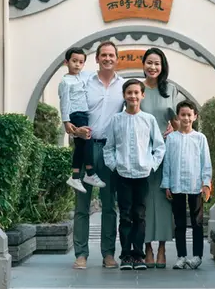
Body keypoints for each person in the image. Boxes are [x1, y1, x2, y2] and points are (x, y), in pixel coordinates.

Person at [71, 41, 125, 270]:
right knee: (82, 203)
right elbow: (72, 108)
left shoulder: (123, 86)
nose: (107, 59)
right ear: (97, 58)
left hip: (110, 150)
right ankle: (81, 254)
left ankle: (108, 253)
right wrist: (73, 128)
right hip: (85, 147)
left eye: (111, 55)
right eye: (104, 55)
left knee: (109, 204)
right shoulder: (85, 82)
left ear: (116, 59)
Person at [103, 79, 166, 271]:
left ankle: (138, 256)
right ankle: (126, 255)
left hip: (142, 175)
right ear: (124, 95)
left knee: (139, 215)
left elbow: (159, 147)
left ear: (142, 95)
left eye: (136, 93)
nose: (133, 96)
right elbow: (109, 148)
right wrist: (114, 166)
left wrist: (151, 166)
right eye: (129, 92)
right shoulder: (116, 120)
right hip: (122, 174)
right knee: (125, 216)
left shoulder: (148, 119)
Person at [161, 100, 212, 270]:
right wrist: (167, 184)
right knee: (180, 223)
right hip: (176, 185)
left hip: (195, 185)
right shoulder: (171, 139)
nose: (186, 118)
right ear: (178, 116)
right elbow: (167, 163)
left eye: (189, 115)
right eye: (183, 115)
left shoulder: (200, 138)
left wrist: (206, 183)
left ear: (195, 116)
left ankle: (197, 256)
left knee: (197, 222)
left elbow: (206, 163)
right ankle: (181, 256)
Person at [140, 48, 178, 268]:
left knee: (164, 200)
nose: (153, 67)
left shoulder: (170, 89)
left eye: (157, 63)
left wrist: (174, 128)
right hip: (141, 154)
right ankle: (147, 248)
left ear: (162, 67)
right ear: (143, 64)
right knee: (143, 200)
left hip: (165, 152)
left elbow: (179, 120)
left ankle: (162, 248)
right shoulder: (138, 89)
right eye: (149, 62)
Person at [59, 47, 106, 193]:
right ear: (66, 62)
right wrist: (66, 121)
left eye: (81, 62)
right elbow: (64, 102)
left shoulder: (84, 76)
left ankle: (75, 176)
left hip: (84, 114)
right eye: (74, 61)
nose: (77, 65)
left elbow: (97, 74)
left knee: (80, 146)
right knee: (88, 139)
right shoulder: (65, 82)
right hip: (76, 114)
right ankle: (90, 173)